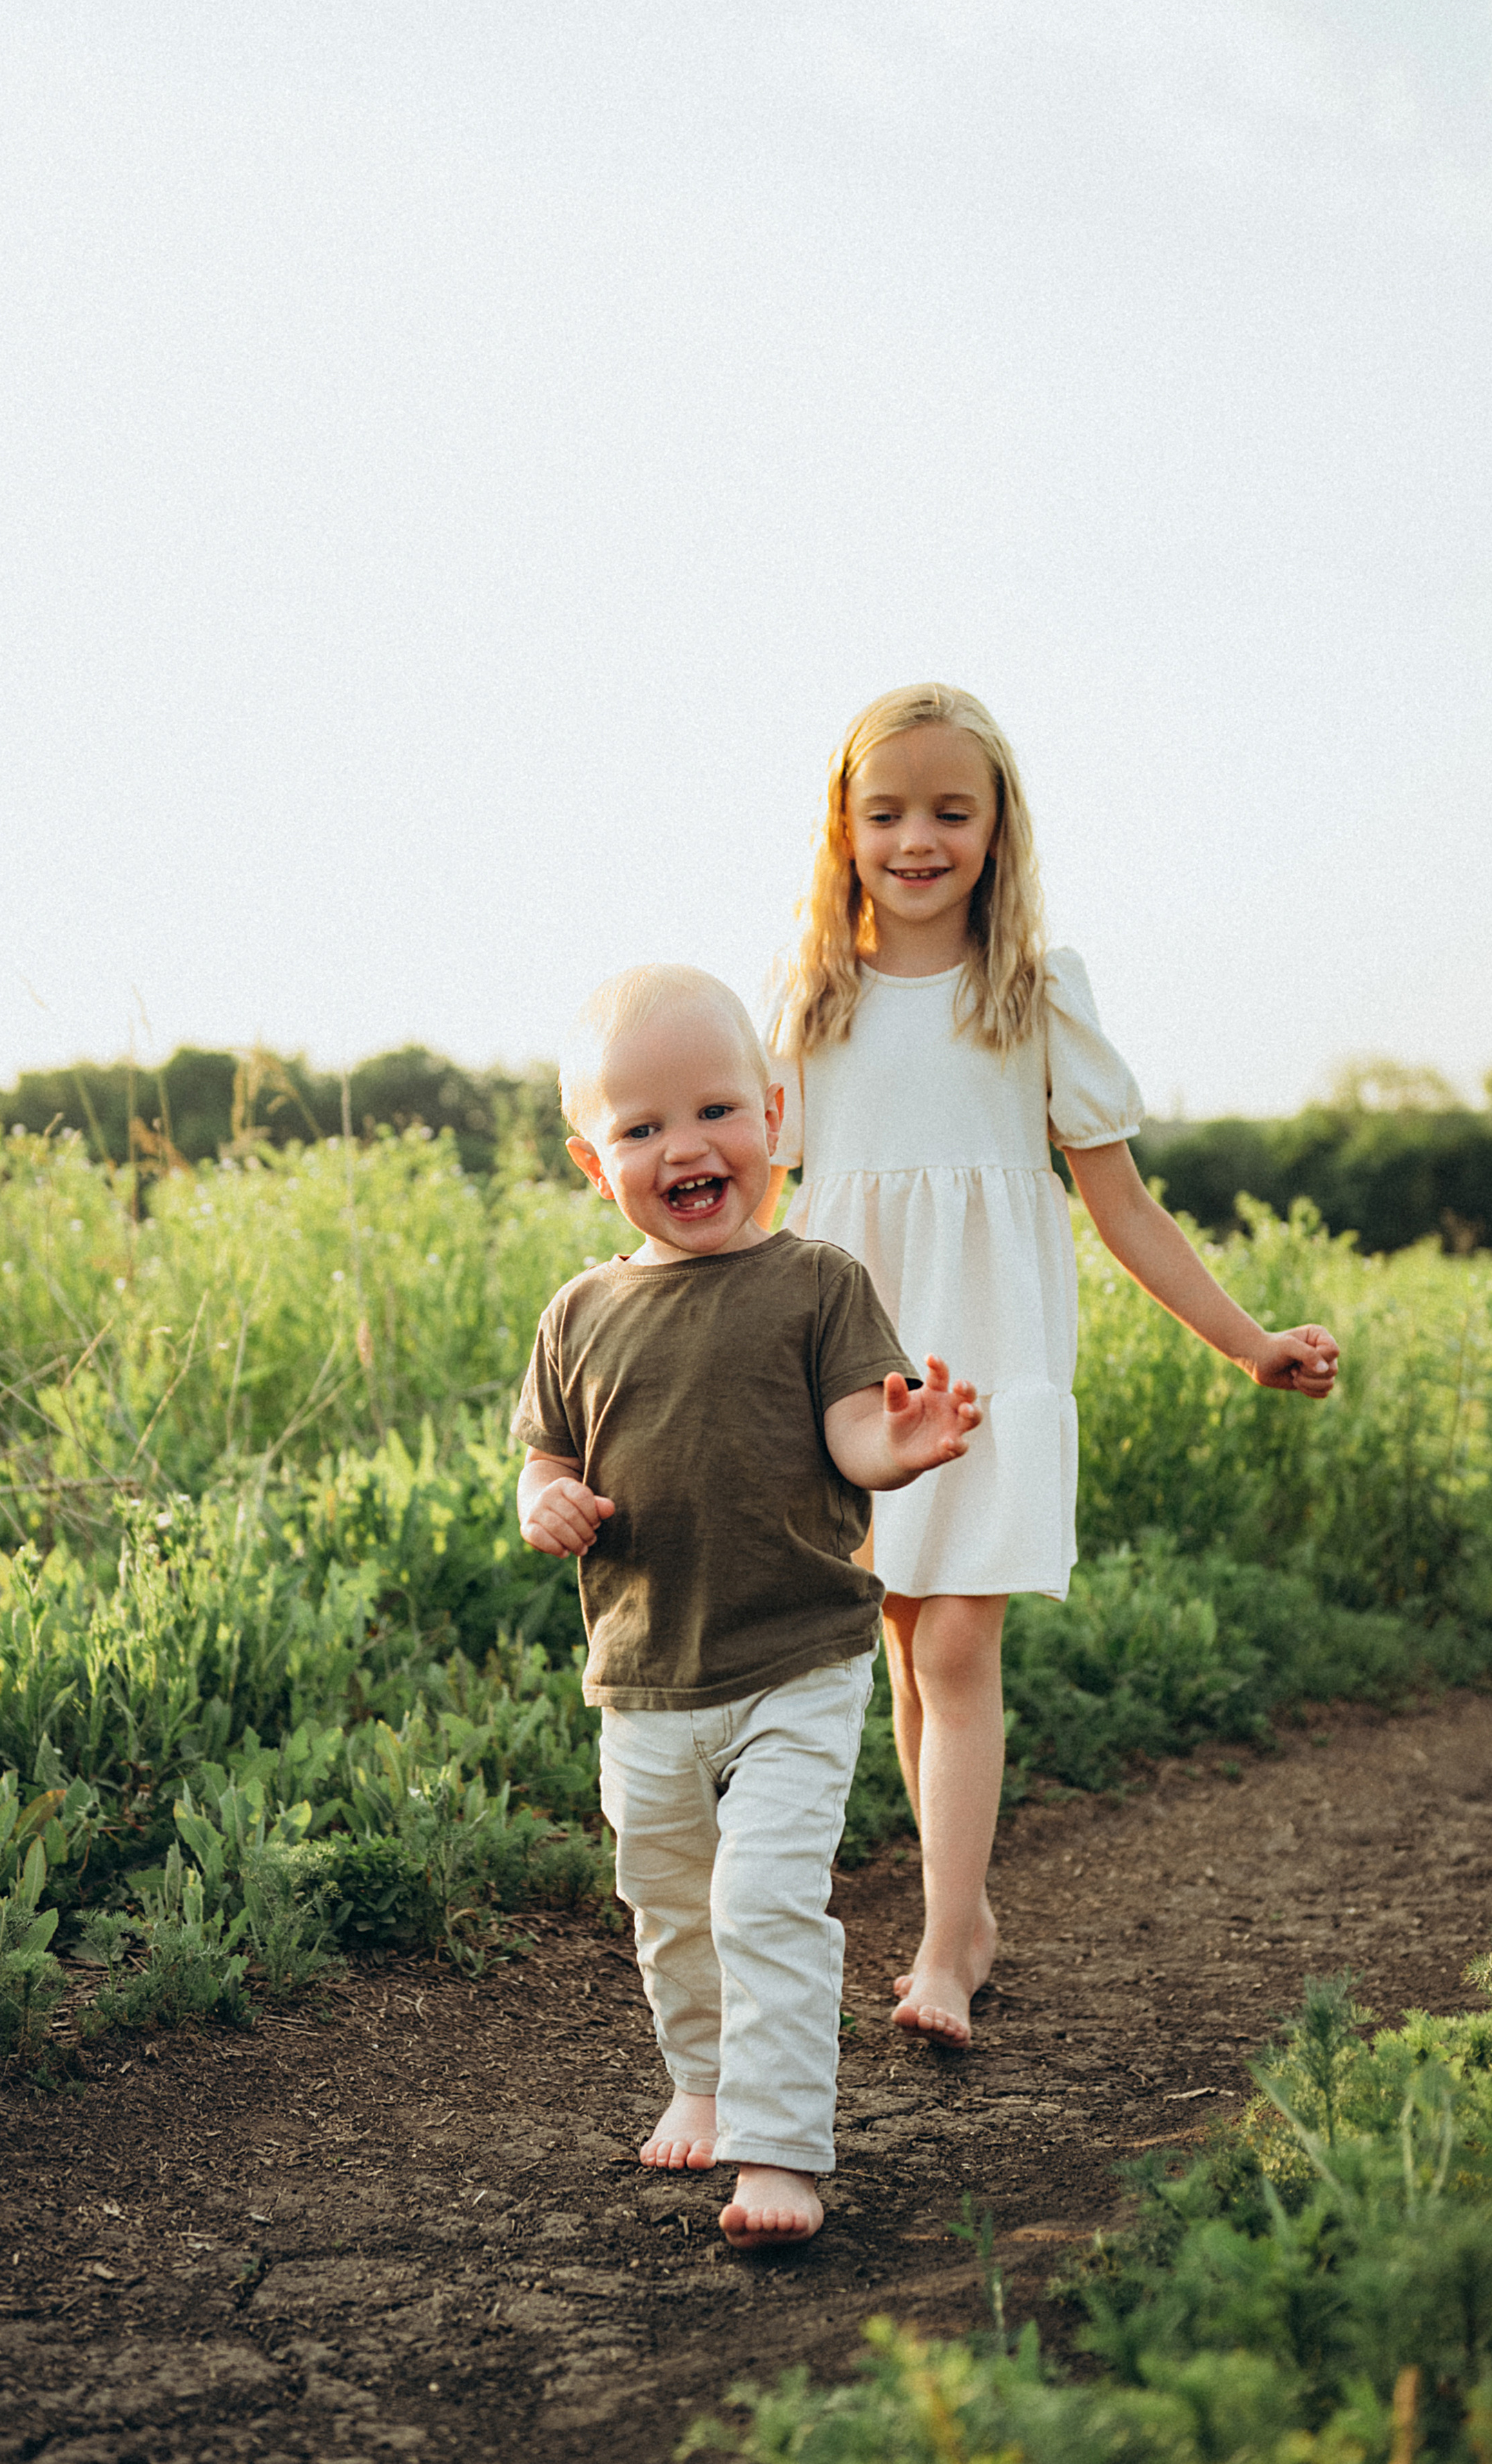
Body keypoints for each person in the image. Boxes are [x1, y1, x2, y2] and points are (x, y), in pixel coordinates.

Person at [759, 684, 1341, 2048]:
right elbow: (746, 1192)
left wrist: (1245, 1342)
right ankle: (961, 1915)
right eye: (885, 809)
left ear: (994, 827)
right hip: (854, 1365)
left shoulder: (1032, 993)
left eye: (948, 811)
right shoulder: (806, 997)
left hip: (993, 1356)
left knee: (959, 1638)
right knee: (906, 1640)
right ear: (840, 825)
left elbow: (1121, 1204)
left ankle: (940, 1954)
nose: (916, 838)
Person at [514, 962, 980, 2248]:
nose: (688, 1147)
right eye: (643, 1127)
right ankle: (705, 2081)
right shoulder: (579, 1313)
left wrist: (906, 1442)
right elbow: (548, 1454)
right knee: (667, 1904)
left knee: (766, 1895)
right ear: (588, 1157)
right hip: (645, 1673)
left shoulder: (816, 1283)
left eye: (717, 1110)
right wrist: (541, 1502)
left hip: (796, 1656)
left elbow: (852, 1438)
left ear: (774, 1114)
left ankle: (780, 2149)